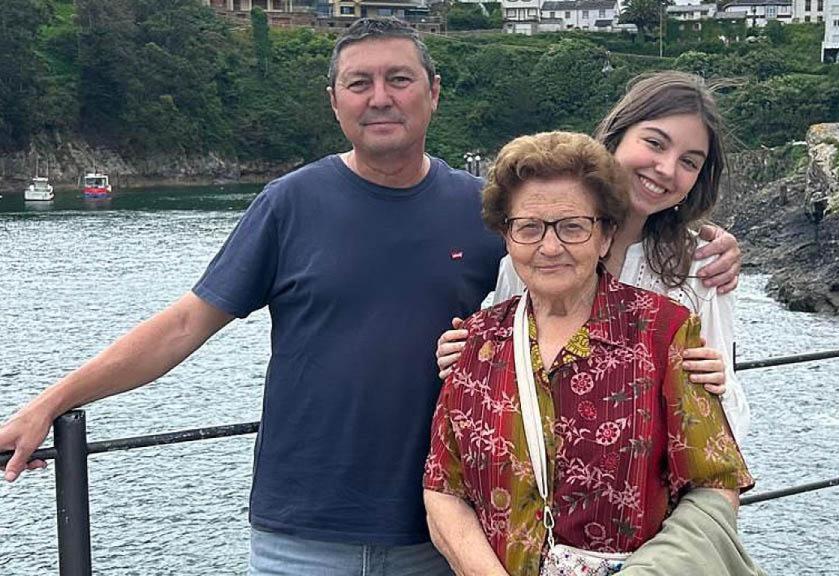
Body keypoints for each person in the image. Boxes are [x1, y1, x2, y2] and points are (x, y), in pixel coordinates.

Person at [0, 19, 742, 575]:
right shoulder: (289, 203)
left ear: (434, 92)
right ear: (334, 101)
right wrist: (48, 404)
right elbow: (185, 324)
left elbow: (584, 254)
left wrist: (700, 251)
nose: (380, 98)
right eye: (360, 83)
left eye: (400, 79)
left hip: (444, 537)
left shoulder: (485, 209)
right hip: (304, 529)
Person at [423, 131, 756, 576]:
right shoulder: (478, 342)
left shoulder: (664, 332)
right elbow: (444, 488)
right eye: (529, 227)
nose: (550, 247)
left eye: (573, 226)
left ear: (605, 235)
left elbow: (715, 482)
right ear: (507, 236)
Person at [436, 71, 751, 444]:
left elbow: (730, 422)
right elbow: (503, 374)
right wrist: (468, 352)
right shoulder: (529, 257)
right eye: (654, 143)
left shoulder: (702, 267)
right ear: (617, 136)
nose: (666, 168)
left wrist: (719, 388)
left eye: (690, 162)